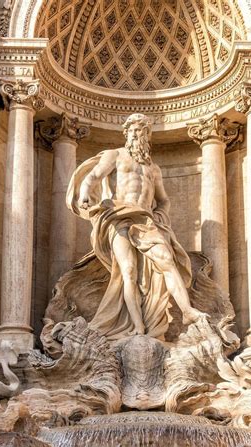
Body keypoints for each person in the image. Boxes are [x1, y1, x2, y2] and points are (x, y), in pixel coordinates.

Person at [66, 113, 205, 340]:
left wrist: (161, 215)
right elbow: (93, 176)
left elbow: (164, 200)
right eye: (133, 130)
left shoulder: (153, 169)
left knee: (167, 261)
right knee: (127, 271)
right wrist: (83, 196)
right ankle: (138, 328)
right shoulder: (115, 156)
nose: (136, 134)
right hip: (118, 216)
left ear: (147, 135)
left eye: (141, 130)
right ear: (126, 133)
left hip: (146, 221)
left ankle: (187, 311)